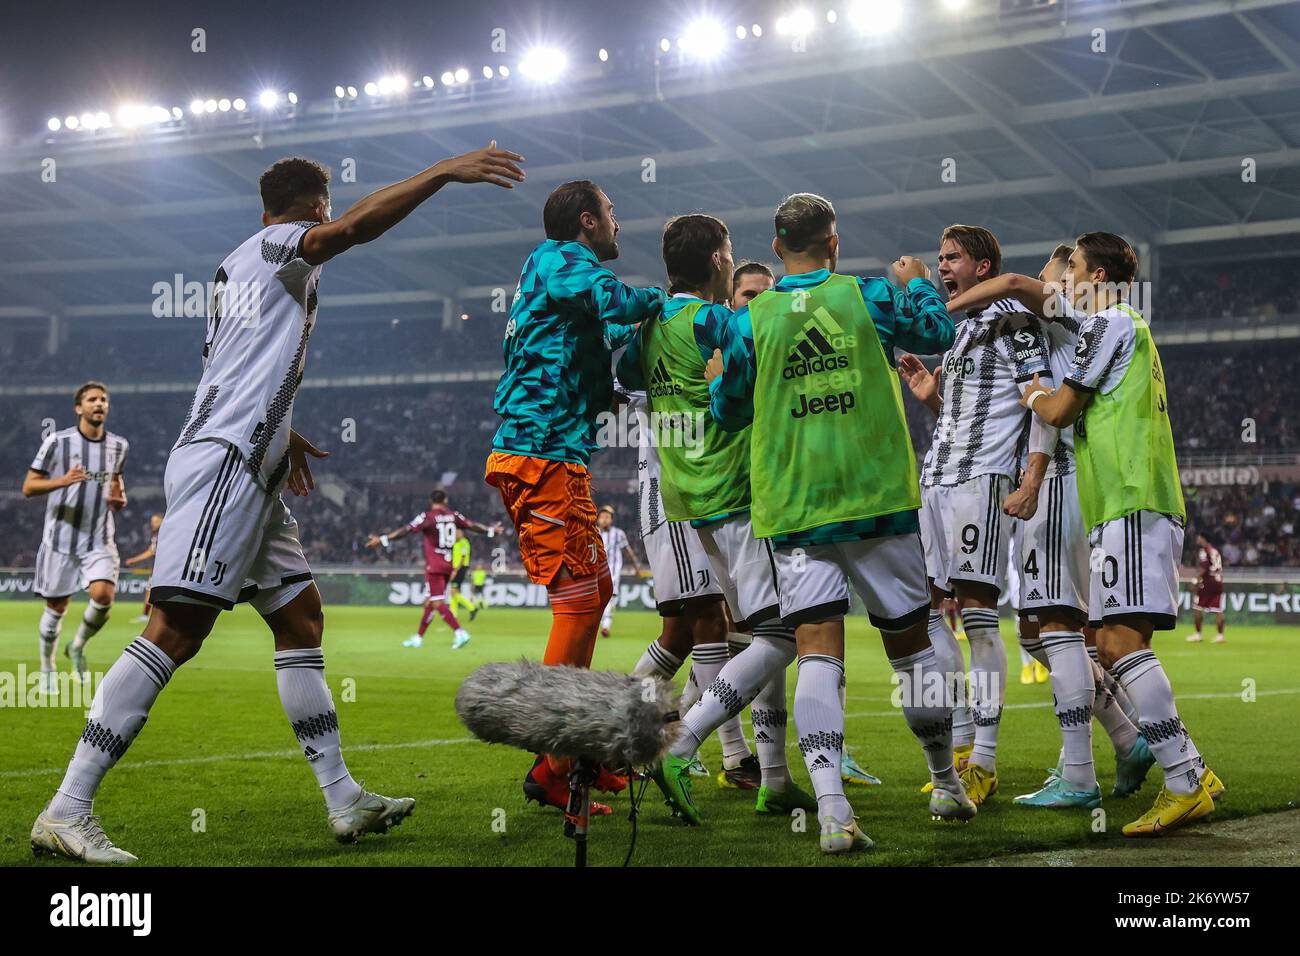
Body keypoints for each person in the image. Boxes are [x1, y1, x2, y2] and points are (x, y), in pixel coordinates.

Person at [31, 142, 525, 864]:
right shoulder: (284, 245)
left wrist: (285, 434)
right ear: (312, 208)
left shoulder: (237, 264)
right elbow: (352, 231)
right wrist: (444, 171)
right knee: (176, 629)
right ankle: (68, 807)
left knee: (300, 618)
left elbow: (233, 365)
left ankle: (343, 798)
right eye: (325, 211)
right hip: (225, 464)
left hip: (250, 466)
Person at [709, 193, 969, 853]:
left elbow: (730, 411)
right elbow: (937, 333)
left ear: (776, 249)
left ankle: (833, 813)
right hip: (877, 500)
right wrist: (916, 284)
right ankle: (945, 784)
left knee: (817, 653)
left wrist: (735, 386)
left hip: (797, 510)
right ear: (834, 243)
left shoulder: (751, 319)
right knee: (912, 650)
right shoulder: (872, 296)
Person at [948, 231, 1223, 836]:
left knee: (1118, 642)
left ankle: (1181, 779)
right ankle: (1183, 769)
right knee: (1109, 642)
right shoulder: (1115, 326)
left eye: (1067, 270)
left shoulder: (1110, 324)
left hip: (1128, 496)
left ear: (1095, 276)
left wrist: (1027, 385)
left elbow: (1056, 411)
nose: (1058, 284)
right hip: (1120, 501)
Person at [485, 179, 664, 813]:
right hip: (540, 453)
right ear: (587, 221)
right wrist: (664, 302)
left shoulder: (553, 271)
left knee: (595, 595)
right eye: (612, 213)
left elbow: (573, 351)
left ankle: (578, 756)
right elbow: (613, 301)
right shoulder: (562, 258)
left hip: (553, 451)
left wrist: (610, 398)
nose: (619, 223)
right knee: (579, 601)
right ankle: (553, 766)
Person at [901, 224, 1054, 808]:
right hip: (937, 477)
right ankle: (961, 744)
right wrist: (932, 399)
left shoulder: (1013, 314)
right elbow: (962, 415)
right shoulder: (961, 330)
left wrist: (1031, 477)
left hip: (982, 481)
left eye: (953, 258)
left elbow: (1037, 397)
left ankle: (985, 759)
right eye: (938, 258)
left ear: (983, 265)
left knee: (980, 616)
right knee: (933, 609)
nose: (943, 266)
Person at [23, 381, 129, 689]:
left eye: (103, 399)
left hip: (99, 537)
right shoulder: (58, 442)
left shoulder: (119, 446)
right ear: (78, 408)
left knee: (103, 597)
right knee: (56, 609)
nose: (99, 404)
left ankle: (78, 645)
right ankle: (47, 668)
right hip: (60, 540)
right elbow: (29, 487)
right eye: (92, 399)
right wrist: (64, 480)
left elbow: (116, 482)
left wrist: (119, 498)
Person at [365, 490, 501, 649]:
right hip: (448, 565)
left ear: (431, 501)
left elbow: (407, 530)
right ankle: (418, 638)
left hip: (434, 566)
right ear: (445, 500)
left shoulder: (427, 517)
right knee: (430, 602)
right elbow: (471, 525)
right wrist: (491, 531)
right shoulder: (453, 515)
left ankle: (460, 632)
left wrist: (383, 539)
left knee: (436, 602)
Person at [596, 504, 642, 637]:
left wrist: (636, 567)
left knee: (610, 596)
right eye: (602, 516)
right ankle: (603, 622)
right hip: (596, 571)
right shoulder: (594, 532)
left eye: (607, 517)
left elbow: (627, 551)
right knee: (598, 599)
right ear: (598, 519)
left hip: (613, 570)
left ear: (612, 519)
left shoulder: (618, 533)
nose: (604, 519)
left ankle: (606, 626)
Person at [1185, 533, 1226, 643]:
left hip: (1208, 582)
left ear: (1203, 539)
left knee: (1197, 607)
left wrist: (1194, 581)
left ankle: (1198, 634)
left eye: (1199, 537)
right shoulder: (1215, 551)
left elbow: (1204, 568)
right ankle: (1220, 636)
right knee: (1218, 610)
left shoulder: (1204, 550)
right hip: (1218, 581)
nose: (1197, 539)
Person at [124, 513, 164, 623]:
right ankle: (147, 615)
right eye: (152, 522)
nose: (153, 524)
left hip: (163, 569)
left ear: (162, 521)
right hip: (158, 568)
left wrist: (133, 560)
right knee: (149, 590)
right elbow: (151, 551)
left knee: (151, 591)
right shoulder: (156, 535)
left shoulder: (164, 534)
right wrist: (134, 560)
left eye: (156, 521)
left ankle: (149, 616)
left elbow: (152, 552)